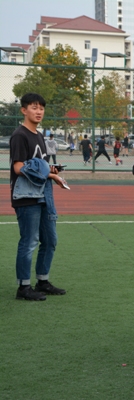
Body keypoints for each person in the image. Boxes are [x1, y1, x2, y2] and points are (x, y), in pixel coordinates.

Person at [9, 92, 68, 301]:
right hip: (26, 196)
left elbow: (39, 164)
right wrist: (50, 174)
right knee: (29, 241)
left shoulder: (39, 135)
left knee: (50, 240)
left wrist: (52, 170)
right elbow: (18, 168)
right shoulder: (20, 135)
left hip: (43, 194)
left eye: (41, 108)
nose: (39, 111)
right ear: (24, 110)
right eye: (34, 107)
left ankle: (42, 281)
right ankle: (23, 287)